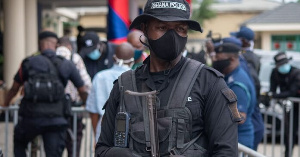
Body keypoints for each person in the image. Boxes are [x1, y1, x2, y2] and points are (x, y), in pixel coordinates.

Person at [95, 0, 240, 156]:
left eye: (180, 28)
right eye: (162, 27)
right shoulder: (125, 85)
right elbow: (102, 149)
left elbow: (226, 151)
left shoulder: (208, 82)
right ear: (145, 28)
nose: (172, 36)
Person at [2, 31, 88, 157]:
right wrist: (85, 104)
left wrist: (5, 104)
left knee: (19, 143)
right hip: (56, 120)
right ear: (56, 45)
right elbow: (82, 89)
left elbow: (14, 88)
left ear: (39, 44)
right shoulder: (66, 64)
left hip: (30, 118)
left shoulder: (28, 62)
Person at [86, 42, 134, 141]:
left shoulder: (100, 77)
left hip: (104, 131)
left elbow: (93, 111)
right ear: (132, 61)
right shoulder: (137, 78)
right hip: (131, 134)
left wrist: (97, 135)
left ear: (113, 58)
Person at [212, 43, 256, 149]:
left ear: (231, 59)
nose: (215, 61)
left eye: (218, 58)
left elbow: (240, 117)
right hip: (234, 139)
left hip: (238, 140)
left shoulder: (237, 83)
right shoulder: (232, 76)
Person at [56, 36, 92, 157]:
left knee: (55, 141)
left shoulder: (50, 58)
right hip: (74, 108)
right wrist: (85, 101)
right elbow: (86, 83)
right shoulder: (75, 58)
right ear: (70, 47)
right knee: (75, 141)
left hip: (55, 108)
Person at [230, 26, 264, 150]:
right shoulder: (249, 57)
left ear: (243, 41)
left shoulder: (247, 59)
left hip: (251, 120)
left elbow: (255, 84)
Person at [269, 52, 300, 157]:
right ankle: (288, 154)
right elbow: (272, 90)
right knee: (289, 131)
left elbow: (292, 92)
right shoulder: (275, 73)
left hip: (297, 103)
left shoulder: (296, 73)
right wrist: (271, 95)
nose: (283, 66)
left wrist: (275, 95)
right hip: (289, 107)